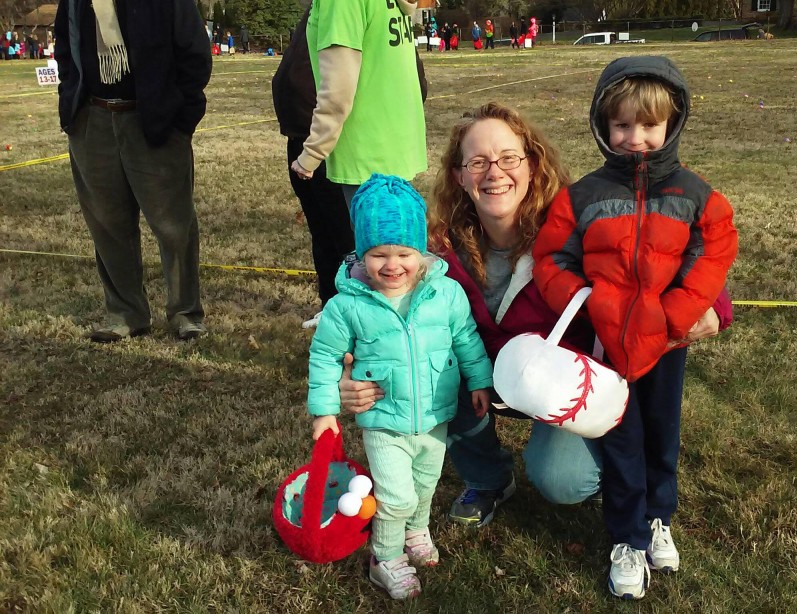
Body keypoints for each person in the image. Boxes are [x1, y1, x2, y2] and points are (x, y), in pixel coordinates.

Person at [338, 102, 733, 530]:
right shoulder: (437, 246)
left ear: (532, 164)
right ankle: (488, 479)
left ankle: (598, 459)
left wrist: (716, 306)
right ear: (457, 175)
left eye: (508, 158)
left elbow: (653, 258)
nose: (494, 172)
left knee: (563, 481)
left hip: (559, 379)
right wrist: (351, 373)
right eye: (477, 162)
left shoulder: (575, 222)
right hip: (480, 376)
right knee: (434, 369)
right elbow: (370, 291)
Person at [532, 56, 739, 599]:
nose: (635, 138)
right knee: (621, 438)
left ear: (672, 125)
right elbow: (552, 257)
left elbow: (713, 249)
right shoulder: (582, 195)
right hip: (607, 347)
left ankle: (657, 518)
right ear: (603, 126)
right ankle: (626, 534)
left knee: (661, 433)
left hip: (667, 342)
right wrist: (584, 299)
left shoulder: (695, 195)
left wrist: (681, 310)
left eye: (649, 125)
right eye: (622, 125)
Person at [307, 174, 492, 600]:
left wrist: (480, 379)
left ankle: (416, 532)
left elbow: (465, 337)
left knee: (425, 484)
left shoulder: (445, 294)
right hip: (383, 421)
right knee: (395, 494)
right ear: (361, 253)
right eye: (378, 254)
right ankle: (384, 557)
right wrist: (324, 409)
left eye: (404, 253)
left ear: (422, 251)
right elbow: (324, 357)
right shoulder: (347, 305)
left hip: (434, 416)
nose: (392, 265)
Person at [54, 0, 212, 342]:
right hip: (92, 120)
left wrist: (181, 121)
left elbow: (195, 54)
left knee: (173, 225)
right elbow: (65, 48)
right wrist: (71, 107)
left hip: (154, 121)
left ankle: (185, 312)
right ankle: (126, 313)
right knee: (107, 224)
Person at [289, 0, 427, 327]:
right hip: (397, 141)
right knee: (402, 255)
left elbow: (337, 91)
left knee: (379, 265)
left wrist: (313, 151)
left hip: (366, 150)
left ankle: (384, 344)